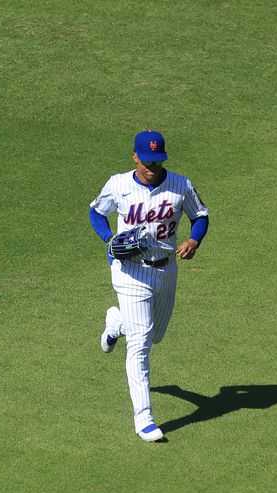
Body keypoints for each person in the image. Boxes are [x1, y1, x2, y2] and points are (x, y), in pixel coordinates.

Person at [89, 130, 209, 442]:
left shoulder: (181, 185)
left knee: (155, 335)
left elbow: (201, 216)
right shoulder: (118, 185)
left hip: (166, 271)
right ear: (135, 157)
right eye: (146, 161)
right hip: (130, 272)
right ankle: (144, 419)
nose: (152, 166)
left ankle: (116, 323)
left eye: (157, 161)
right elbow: (96, 212)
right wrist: (109, 238)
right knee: (140, 343)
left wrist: (194, 239)